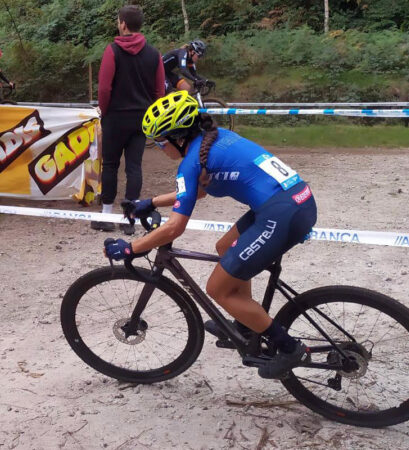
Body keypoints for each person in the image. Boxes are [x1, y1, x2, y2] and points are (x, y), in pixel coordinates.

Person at [103, 91, 317, 379]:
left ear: (178, 137)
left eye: (160, 141)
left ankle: (290, 349)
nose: (160, 148)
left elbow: (175, 227)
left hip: (282, 213)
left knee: (218, 289)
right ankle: (245, 323)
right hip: (294, 201)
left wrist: (132, 247)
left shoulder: (191, 161)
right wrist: (151, 202)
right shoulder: (215, 140)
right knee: (225, 246)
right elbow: (198, 192)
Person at [90, 5, 165, 235]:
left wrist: (104, 111)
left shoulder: (112, 51)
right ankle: (130, 218)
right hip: (141, 118)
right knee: (134, 166)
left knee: (110, 165)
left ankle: (105, 215)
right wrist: (152, 115)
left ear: (123, 24)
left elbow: (104, 88)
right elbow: (159, 91)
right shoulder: (154, 54)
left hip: (115, 117)